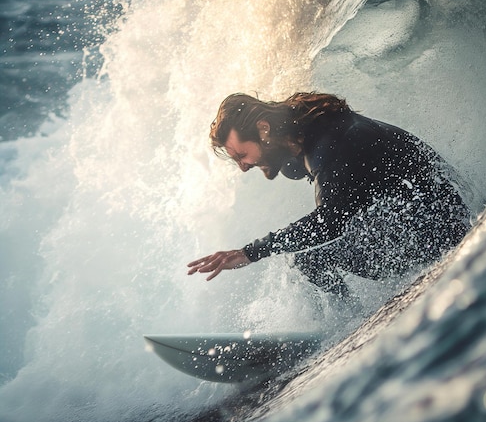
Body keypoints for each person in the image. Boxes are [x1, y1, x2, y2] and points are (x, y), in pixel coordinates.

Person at [187, 92, 470, 297]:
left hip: (441, 227)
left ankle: (349, 325)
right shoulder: (302, 134)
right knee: (319, 250)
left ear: (263, 130)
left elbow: (330, 221)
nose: (244, 167)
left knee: (309, 260)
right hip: (434, 210)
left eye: (242, 155)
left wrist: (250, 252)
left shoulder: (330, 146)